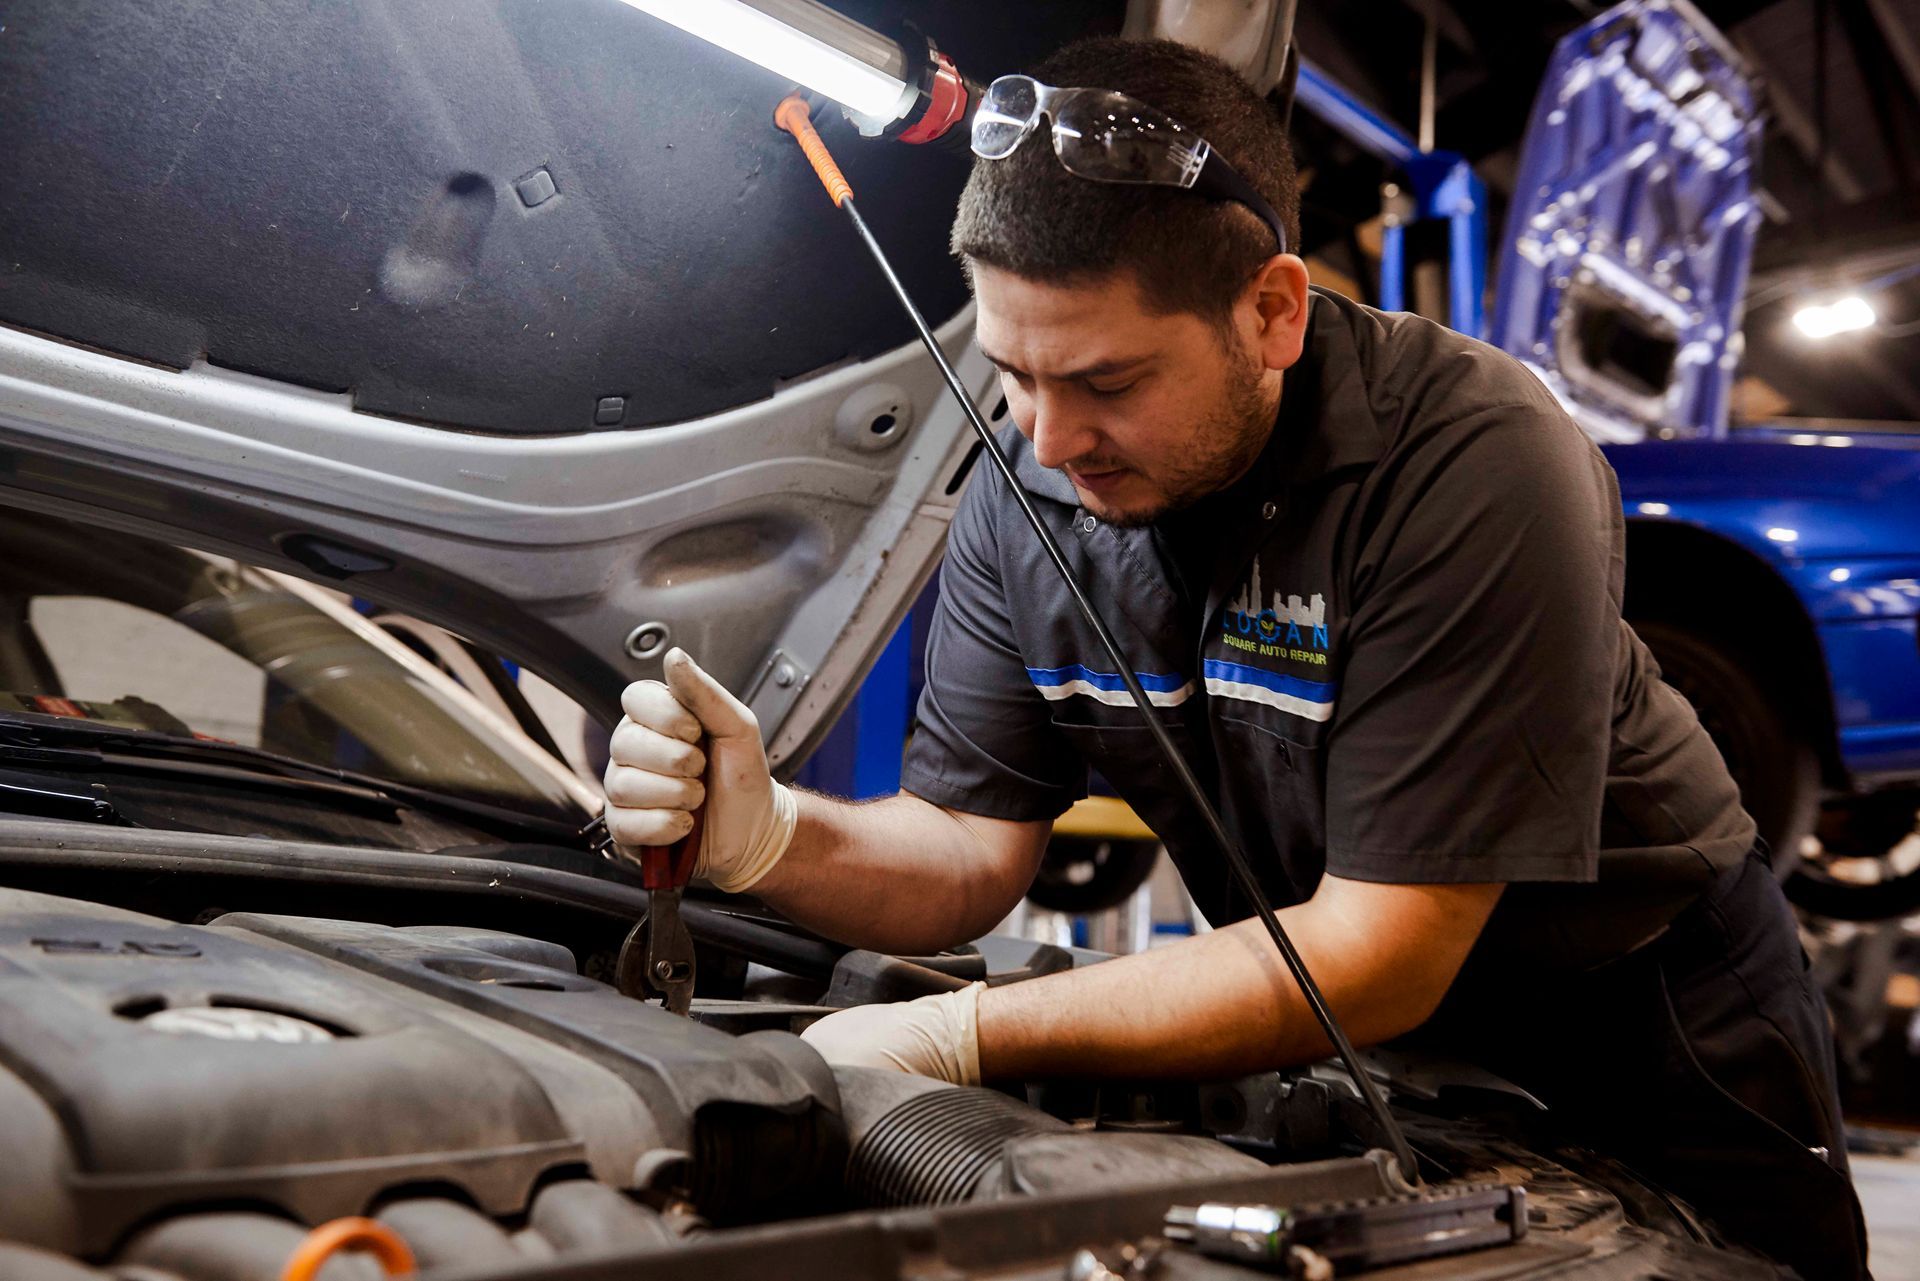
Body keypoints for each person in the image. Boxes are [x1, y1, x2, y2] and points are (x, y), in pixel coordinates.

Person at [602, 36, 1869, 1279]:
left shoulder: (1471, 457)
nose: (1048, 441)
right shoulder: (1030, 481)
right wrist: (768, 838)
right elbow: (966, 852)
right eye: (1013, 375)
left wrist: (963, 1029)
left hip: (1643, 1033)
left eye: (1107, 379)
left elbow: (1382, 950)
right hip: (1359, 1044)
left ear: (1270, 311)